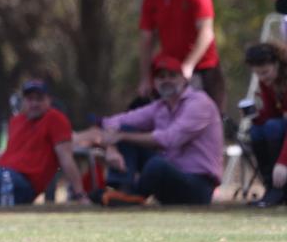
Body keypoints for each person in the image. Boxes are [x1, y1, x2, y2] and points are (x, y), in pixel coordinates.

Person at [86, 55, 223, 206]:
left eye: (172, 75)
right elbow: (112, 122)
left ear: (184, 79)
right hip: (170, 176)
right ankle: (121, 189)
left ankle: (134, 197)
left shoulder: (199, 103)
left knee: (156, 164)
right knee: (126, 131)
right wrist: (112, 147)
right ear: (155, 83)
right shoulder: (160, 107)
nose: (166, 80)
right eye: (161, 77)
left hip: (198, 185)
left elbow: (170, 139)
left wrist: (121, 137)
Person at [136, 0, 224, 113]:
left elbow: (206, 32)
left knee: (210, 121)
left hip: (203, 69)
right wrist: (145, 78)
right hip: (171, 72)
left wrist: (188, 65)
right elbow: (146, 39)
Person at [244, 42, 287, 206]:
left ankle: (280, 189)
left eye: (265, 72)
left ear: (277, 63)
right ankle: (271, 187)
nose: (262, 78)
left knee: (272, 127)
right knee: (256, 130)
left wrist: (283, 163)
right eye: (258, 74)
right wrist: (255, 116)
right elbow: (271, 113)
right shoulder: (268, 82)